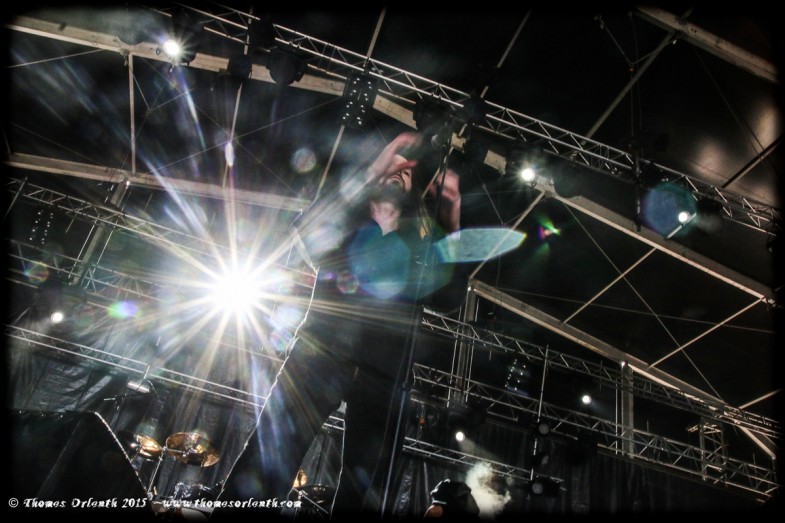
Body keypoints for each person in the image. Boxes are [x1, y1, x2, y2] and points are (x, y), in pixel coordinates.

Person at [217, 131, 466, 518]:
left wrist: (452, 217)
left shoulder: (417, 244)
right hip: (321, 354)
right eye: (391, 172)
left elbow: (450, 297)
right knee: (272, 456)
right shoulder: (347, 224)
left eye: (406, 175)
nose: (398, 175)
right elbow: (307, 230)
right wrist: (375, 168)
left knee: (366, 488)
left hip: (386, 371)